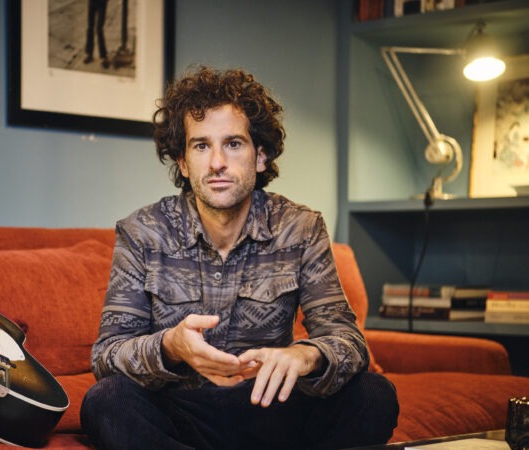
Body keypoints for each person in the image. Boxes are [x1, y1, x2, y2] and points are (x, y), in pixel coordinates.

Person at [80, 66, 399, 449]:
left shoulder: (300, 228)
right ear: (182, 162)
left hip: (272, 407)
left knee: (374, 394)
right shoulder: (142, 232)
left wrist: (305, 355)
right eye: (201, 146)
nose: (217, 162)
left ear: (260, 156)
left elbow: (348, 340)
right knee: (106, 401)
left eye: (233, 143)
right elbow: (108, 356)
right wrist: (171, 346)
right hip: (181, 413)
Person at [83, 0, 109, 69]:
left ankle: (104, 57)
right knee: (90, 27)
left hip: (102, 3)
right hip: (92, 2)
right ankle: (89, 54)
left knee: (99, 29)